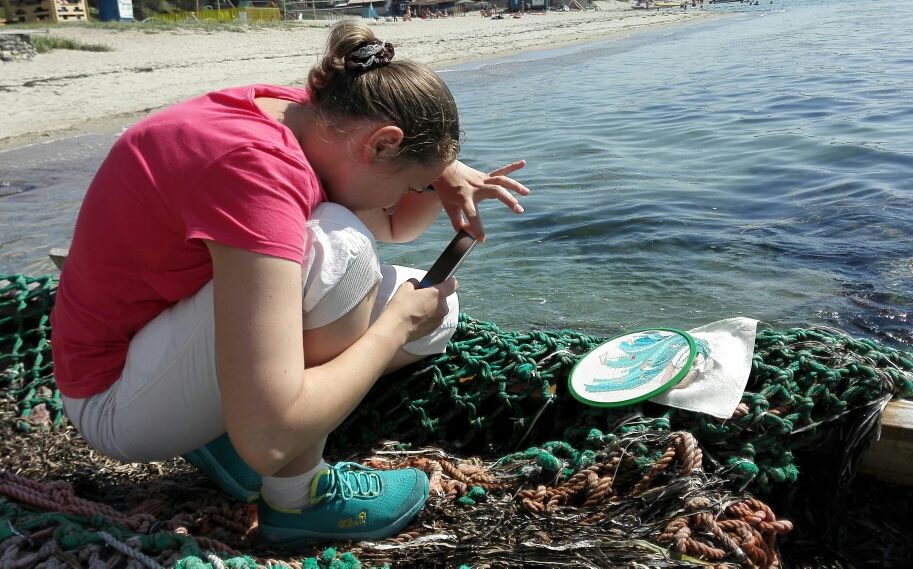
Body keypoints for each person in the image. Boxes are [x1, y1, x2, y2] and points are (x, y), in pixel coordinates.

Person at [50, 20, 529, 547]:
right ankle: (298, 498)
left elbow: (394, 227)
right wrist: (393, 327)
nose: (404, 200)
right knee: (341, 248)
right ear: (381, 144)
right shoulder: (256, 172)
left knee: (433, 311)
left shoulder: (310, 116)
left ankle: (218, 426)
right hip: (116, 397)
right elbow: (269, 440)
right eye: (411, 186)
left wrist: (442, 174)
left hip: (163, 344)